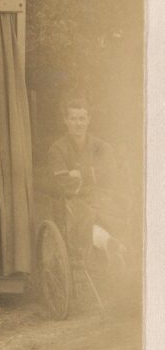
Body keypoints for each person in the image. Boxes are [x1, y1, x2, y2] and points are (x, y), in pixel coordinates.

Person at [48, 97, 126, 261]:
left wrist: (80, 174)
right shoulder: (57, 149)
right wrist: (94, 175)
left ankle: (114, 251)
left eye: (82, 118)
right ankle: (107, 244)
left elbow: (111, 175)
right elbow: (63, 183)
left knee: (116, 214)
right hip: (73, 200)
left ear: (89, 120)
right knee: (85, 215)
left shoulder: (101, 146)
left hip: (101, 197)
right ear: (66, 121)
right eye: (74, 119)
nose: (78, 123)